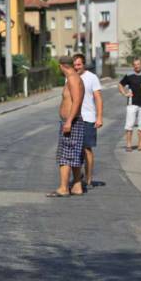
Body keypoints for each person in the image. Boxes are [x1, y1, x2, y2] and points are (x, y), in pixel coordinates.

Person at [47, 56, 85, 197]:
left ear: (62, 66)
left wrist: (68, 121)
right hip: (72, 121)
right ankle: (77, 186)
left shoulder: (73, 79)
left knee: (65, 156)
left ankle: (63, 188)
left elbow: (76, 102)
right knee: (74, 155)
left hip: (72, 122)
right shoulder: (73, 78)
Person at [73, 53, 103, 189]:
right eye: (74, 65)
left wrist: (99, 117)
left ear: (83, 64)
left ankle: (89, 178)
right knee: (74, 150)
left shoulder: (92, 78)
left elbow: (98, 98)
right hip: (74, 119)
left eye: (78, 64)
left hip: (88, 118)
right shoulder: (70, 78)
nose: (76, 67)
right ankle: (77, 179)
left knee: (87, 149)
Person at [118, 58, 141, 151]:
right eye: (135, 64)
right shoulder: (129, 76)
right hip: (131, 103)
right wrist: (125, 93)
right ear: (133, 66)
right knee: (129, 125)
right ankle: (128, 145)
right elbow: (120, 84)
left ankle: (140, 144)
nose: (137, 66)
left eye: (138, 64)